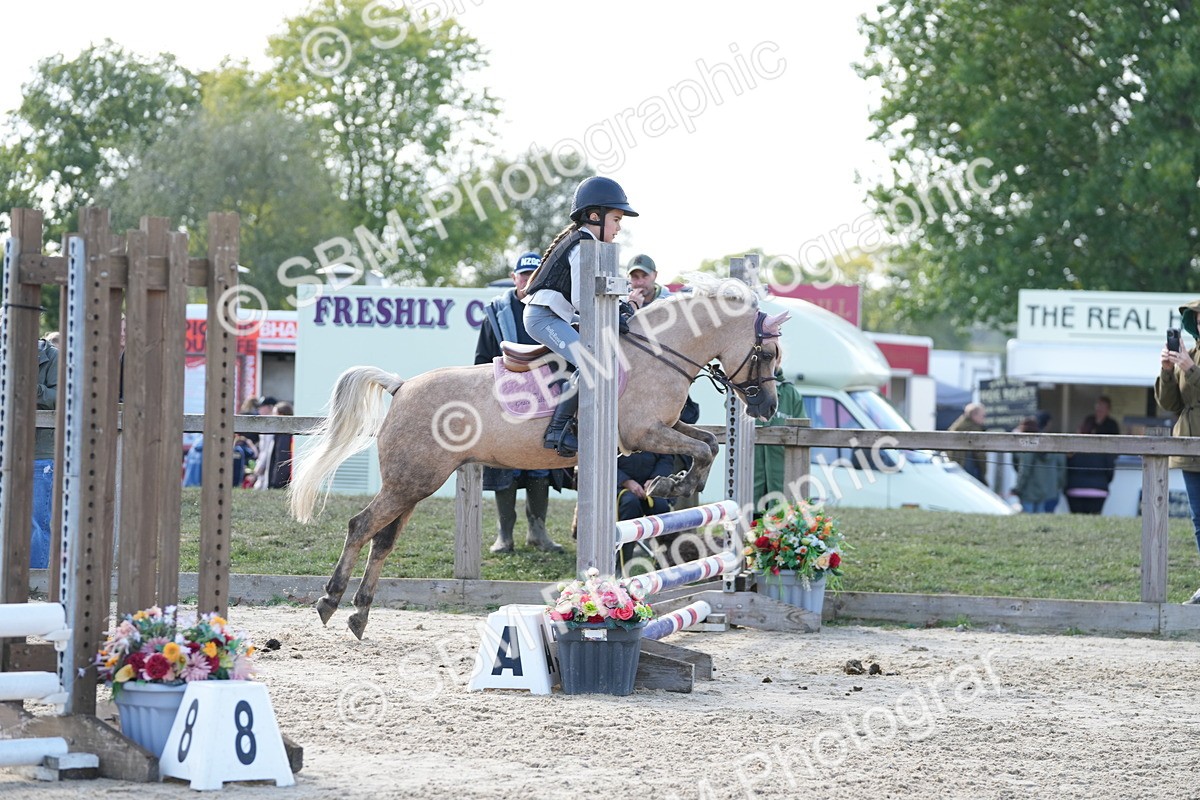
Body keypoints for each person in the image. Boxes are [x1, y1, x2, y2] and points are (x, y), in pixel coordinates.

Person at [523, 175, 639, 458]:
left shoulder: (590, 243)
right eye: (616, 219)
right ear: (595, 216)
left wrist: (620, 306)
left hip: (555, 316)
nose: (619, 227)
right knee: (591, 365)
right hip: (543, 318)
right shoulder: (580, 246)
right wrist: (613, 313)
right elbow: (581, 300)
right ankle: (557, 430)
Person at [474, 251, 565, 554]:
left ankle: (538, 532)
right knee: (506, 466)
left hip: (544, 399)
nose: (527, 279)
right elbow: (481, 362)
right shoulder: (497, 312)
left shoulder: (552, 309)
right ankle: (505, 534)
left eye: (533, 274)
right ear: (514, 277)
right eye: (523, 274)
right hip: (506, 400)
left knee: (540, 467)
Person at [1155, 298, 1200, 603]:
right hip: (1189, 446)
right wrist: (1169, 370)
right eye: (1197, 318)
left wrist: (1192, 370)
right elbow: (1171, 404)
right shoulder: (1191, 352)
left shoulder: (1192, 360)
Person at [753, 357, 807, 512]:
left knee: (780, 515)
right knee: (751, 517)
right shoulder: (749, 391)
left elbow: (803, 433)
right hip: (751, 473)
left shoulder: (791, 393)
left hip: (782, 474)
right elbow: (730, 410)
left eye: (771, 359)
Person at [1065, 396, 1120, 514]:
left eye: (1102, 406)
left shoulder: (1112, 425)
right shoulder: (1089, 420)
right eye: (1097, 406)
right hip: (1096, 485)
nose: (1099, 409)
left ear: (1108, 409)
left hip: (1081, 485)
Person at [30, 336, 58, 569]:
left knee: (37, 521)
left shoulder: (54, 357)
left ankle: (34, 584)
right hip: (4, 449)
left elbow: (61, 398)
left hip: (39, 452)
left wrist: (29, 386)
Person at [1010, 415, 1067, 514]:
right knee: (1040, 520)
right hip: (1046, 491)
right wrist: (1059, 486)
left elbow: (1025, 470)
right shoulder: (1049, 446)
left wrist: (1018, 489)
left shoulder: (1027, 447)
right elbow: (1061, 468)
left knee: (1027, 522)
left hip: (1029, 492)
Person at [948, 402, 988, 484]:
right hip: (968, 466)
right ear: (974, 415)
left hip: (957, 466)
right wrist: (983, 473)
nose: (984, 419)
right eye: (983, 416)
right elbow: (979, 454)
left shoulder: (958, 425)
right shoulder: (973, 428)